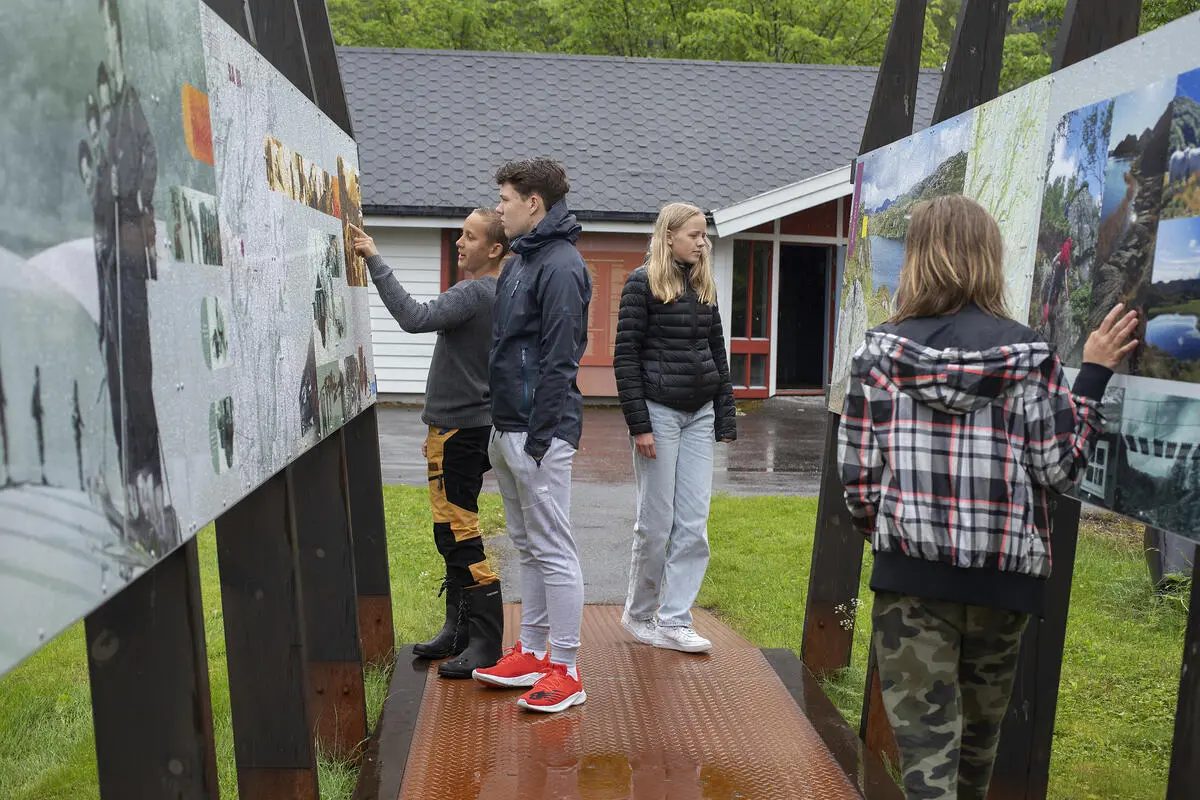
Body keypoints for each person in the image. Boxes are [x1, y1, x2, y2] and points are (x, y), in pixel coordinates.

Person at [838, 194, 1137, 800]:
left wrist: (897, 535)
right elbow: (1058, 469)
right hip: (1005, 586)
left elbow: (860, 483)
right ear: (989, 258)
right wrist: (1094, 375)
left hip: (911, 582)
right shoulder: (1030, 357)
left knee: (926, 765)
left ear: (919, 259)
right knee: (976, 758)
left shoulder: (877, 357)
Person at [349, 212, 508, 679]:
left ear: (495, 249)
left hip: (460, 433)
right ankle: (458, 631)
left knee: (458, 532)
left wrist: (375, 259)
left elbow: (413, 317)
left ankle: (485, 640)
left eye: (470, 237)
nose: (459, 242)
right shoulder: (503, 293)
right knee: (451, 530)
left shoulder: (474, 293)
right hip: (462, 429)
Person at [470, 157, 592, 714]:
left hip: (540, 433)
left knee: (553, 549)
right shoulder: (521, 260)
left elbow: (561, 358)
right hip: (508, 427)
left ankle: (566, 669)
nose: (499, 207)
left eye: (505, 198)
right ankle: (534, 651)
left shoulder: (562, 265)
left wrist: (539, 440)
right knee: (529, 547)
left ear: (533, 203)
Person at [613, 202, 736, 654]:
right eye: (695, 235)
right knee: (656, 522)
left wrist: (724, 414)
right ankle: (640, 614)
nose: (703, 243)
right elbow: (625, 358)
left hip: (700, 414)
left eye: (704, 236)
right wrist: (639, 425)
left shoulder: (704, 285)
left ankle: (675, 619)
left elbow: (717, 353)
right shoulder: (641, 283)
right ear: (669, 237)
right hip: (658, 415)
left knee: (693, 524)